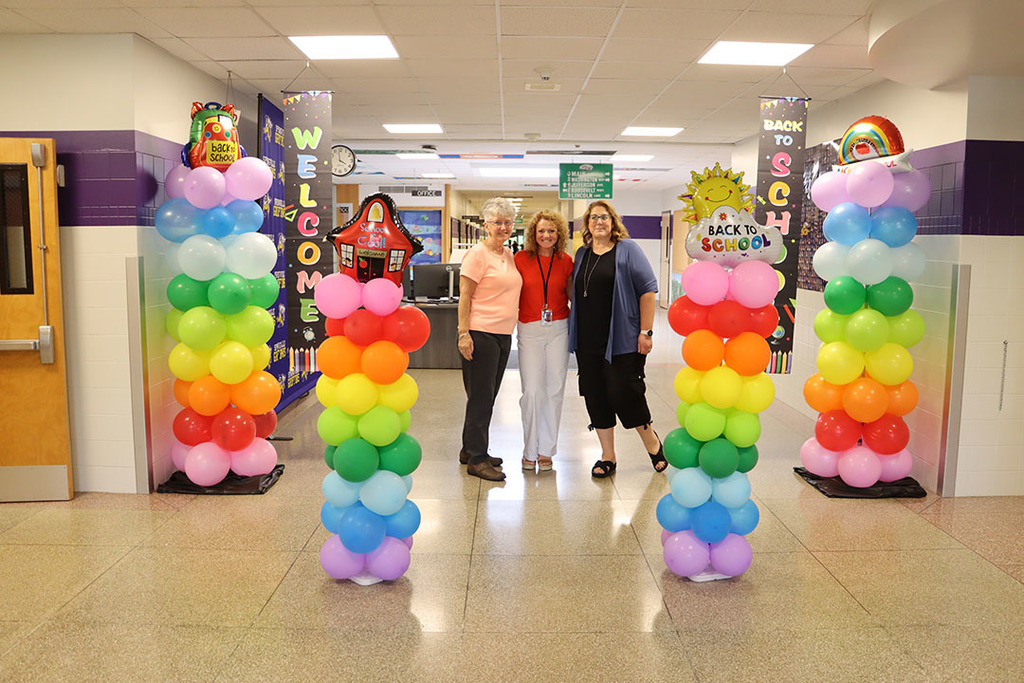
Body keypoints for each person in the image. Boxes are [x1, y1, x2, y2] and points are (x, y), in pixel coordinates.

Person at [568, 200, 664, 478]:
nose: (599, 222)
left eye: (605, 217)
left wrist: (646, 331)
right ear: (587, 223)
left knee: (626, 394)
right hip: (587, 341)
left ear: (613, 223)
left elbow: (648, 289)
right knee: (595, 396)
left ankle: (653, 443)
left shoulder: (627, 249)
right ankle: (607, 456)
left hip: (621, 339)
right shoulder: (582, 254)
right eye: (594, 217)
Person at [457, 197, 523, 481]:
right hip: (480, 333)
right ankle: (477, 459)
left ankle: (469, 450)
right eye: (497, 222)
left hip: (503, 334)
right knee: (481, 398)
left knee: (486, 396)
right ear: (486, 225)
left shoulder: (507, 255)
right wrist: (463, 333)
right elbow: (465, 297)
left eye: (508, 222)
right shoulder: (477, 255)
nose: (503, 227)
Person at [514, 210, 573, 473]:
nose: (546, 235)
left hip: (559, 328)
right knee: (533, 391)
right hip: (529, 328)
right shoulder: (521, 259)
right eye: (541, 231)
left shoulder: (566, 261)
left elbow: (575, 295)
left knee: (554, 390)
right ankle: (529, 449)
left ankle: (546, 450)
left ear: (558, 233)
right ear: (533, 234)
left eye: (551, 230)